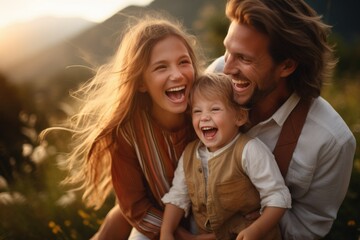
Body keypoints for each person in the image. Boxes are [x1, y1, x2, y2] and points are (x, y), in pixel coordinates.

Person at [42, 14, 219, 240]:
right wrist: (180, 235)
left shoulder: (210, 115)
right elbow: (135, 207)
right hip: (158, 222)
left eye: (183, 62)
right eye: (161, 67)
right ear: (142, 83)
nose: (177, 74)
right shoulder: (127, 133)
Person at [206, 0, 356, 239]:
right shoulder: (217, 73)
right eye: (227, 51)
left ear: (286, 65)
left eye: (244, 59)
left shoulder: (332, 141)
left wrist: (257, 204)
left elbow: (306, 231)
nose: (227, 68)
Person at [160, 73, 291, 240]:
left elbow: (278, 197)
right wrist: (167, 232)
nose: (204, 117)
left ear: (239, 117)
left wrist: (256, 230)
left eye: (215, 109)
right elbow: (178, 196)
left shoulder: (249, 150)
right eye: (197, 111)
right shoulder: (189, 154)